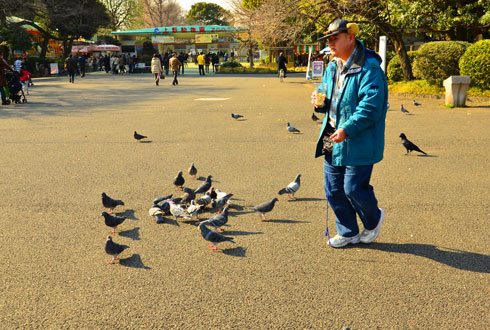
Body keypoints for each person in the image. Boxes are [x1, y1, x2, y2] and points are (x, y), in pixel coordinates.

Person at [312, 19, 388, 248]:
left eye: (335, 37)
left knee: (353, 188)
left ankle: (373, 219)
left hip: (358, 137)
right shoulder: (333, 66)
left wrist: (347, 128)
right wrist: (318, 102)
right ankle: (348, 232)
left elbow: (371, 107)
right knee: (333, 189)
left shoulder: (370, 68)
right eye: (328, 39)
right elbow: (323, 91)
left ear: (351, 37)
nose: (330, 43)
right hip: (332, 133)